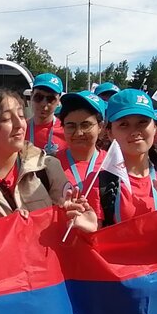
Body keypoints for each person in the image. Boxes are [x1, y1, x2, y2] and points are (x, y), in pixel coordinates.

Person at [0, 87, 96, 232]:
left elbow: (65, 232)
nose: (19, 125)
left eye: (21, 116)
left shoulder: (47, 168)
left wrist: (73, 218)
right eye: (6, 119)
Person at [100, 89, 157, 225]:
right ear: (110, 133)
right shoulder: (99, 183)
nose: (135, 131)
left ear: (155, 127)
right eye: (123, 124)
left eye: (142, 122)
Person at [54, 91, 108, 222]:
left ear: (100, 126)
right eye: (71, 126)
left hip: (103, 239)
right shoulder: (50, 165)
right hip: (60, 240)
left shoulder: (112, 164)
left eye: (86, 125)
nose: (78, 133)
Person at [28, 73, 66, 155]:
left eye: (50, 99)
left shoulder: (66, 131)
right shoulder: (20, 130)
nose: (44, 104)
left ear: (59, 101)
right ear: (31, 96)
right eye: (39, 97)